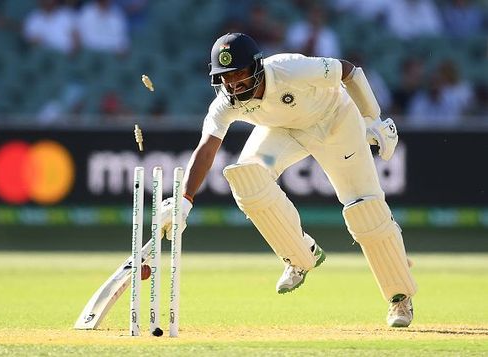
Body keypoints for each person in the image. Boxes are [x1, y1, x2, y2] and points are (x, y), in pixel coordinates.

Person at [159, 33, 417, 328]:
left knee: (365, 210)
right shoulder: (226, 103)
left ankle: (400, 299)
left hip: (335, 123)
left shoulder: (288, 68)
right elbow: (207, 147)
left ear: (256, 67)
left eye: (239, 74)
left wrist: (372, 118)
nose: (233, 84)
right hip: (283, 132)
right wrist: (184, 200)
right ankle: (300, 255)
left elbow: (348, 70)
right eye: (225, 78)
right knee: (247, 177)